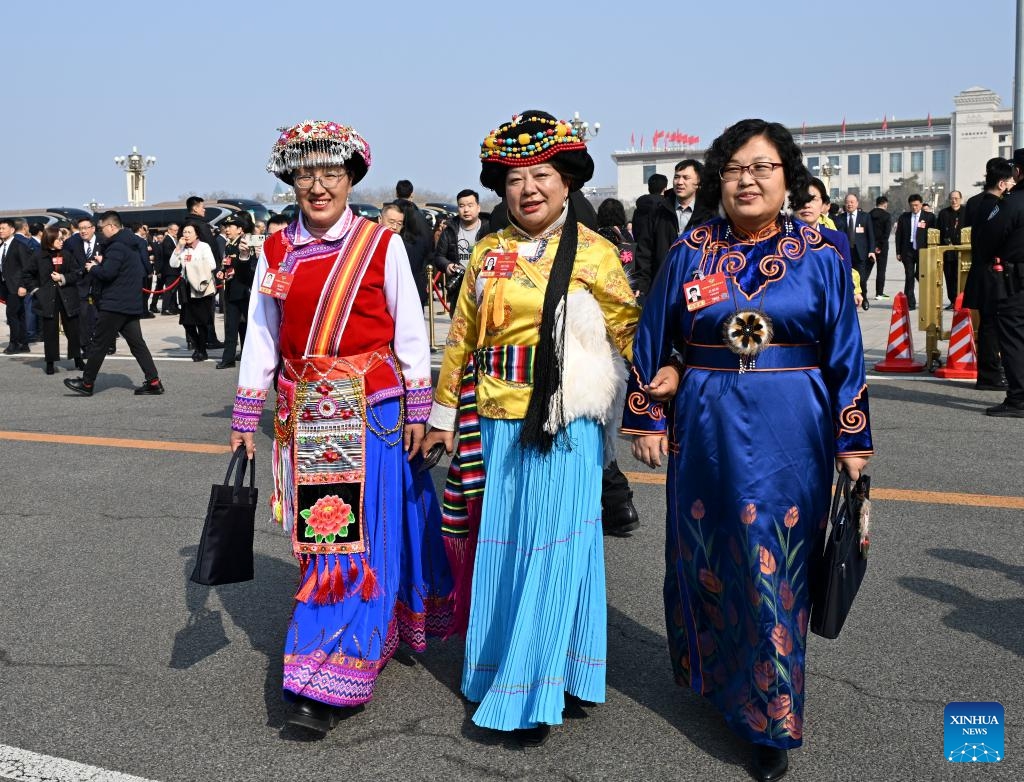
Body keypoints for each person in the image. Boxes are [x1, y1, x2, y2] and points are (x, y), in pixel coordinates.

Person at [624, 119, 873, 782]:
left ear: (787, 178)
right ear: (717, 179)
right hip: (704, 424)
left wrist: (853, 435)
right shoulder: (692, 250)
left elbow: (845, 350)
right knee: (712, 556)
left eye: (763, 167)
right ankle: (725, 684)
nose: (747, 179)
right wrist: (650, 409)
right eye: (734, 167)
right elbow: (657, 333)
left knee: (776, 563)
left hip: (794, 424)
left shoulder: (823, 249)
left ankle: (772, 719)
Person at [421, 110, 639, 745]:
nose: (529, 189)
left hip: (564, 421)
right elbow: (462, 337)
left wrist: (662, 399)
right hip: (493, 417)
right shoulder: (487, 252)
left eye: (542, 174)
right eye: (515, 179)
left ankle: (527, 693)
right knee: (507, 550)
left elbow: (631, 331)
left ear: (567, 181)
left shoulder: (596, 253)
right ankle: (551, 668)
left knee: (552, 547)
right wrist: (439, 415)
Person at [229, 119, 453, 735]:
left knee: (358, 545)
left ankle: (328, 674)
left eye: (330, 173)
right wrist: (247, 411)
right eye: (306, 174)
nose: (318, 186)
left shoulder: (380, 246)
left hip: (372, 412)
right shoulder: (276, 251)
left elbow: (410, 328)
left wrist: (419, 409)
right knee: (328, 545)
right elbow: (263, 333)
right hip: (308, 416)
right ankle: (333, 655)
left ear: (351, 178)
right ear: (291, 181)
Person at [63, 211, 164, 397]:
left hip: (115, 303)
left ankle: (86, 383)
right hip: (129, 302)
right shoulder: (130, 244)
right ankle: (154, 381)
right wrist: (105, 261)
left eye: (102, 228)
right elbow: (124, 268)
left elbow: (108, 274)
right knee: (137, 344)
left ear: (112, 226)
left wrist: (94, 267)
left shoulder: (117, 246)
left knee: (99, 343)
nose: (101, 232)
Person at [980, 148, 1024, 417]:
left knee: (1013, 338)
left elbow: (989, 238)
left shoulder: (1011, 203)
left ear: (1017, 171)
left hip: (1015, 281)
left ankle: (1018, 398)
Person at [964, 158, 1014, 391]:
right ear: (1002, 183)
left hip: (981, 271)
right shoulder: (995, 206)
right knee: (991, 325)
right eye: (1011, 181)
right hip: (990, 273)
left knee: (988, 324)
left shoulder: (977, 202)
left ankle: (989, 373)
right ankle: (990, 374)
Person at [634, 159, 715, 299]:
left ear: (698, 183)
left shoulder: (710, 215)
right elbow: (645, 251)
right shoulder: (658, 211)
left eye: (686, 178)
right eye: (677, 177)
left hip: (698, 287)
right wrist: (642, 285)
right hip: (663, 285)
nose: (679, 182)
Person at [25, 226, 84, 374]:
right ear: (49, 239)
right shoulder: (38, 256)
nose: (61, 241)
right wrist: (36, 291)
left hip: (68, 297)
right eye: (58, 238)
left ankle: (77, 359)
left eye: (62, 238)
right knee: (50, 331)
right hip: (47, 298)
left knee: (73, 330)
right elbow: (27, 275)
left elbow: (76, 273)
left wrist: (63, 278)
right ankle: (50, 362)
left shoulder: (67, 254)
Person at [434, 189, 491, 307]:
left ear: (478, 207)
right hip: (459, 288)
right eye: (461, 206)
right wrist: (447, 265)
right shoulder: (449, 230)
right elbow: (439, 257)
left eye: (470, 205)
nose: (466, 210)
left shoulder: (489, 228)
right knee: (459, 324)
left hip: (485, 286)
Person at [169, 224, 218, 361]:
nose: (186, 234)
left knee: (201, 321)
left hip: (201, 287)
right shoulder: (183, 248)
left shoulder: (204, 246)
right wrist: (178, 247)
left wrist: (191, 266)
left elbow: (212, 265)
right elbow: (173, 264)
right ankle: (198, 346)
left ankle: (201, 350)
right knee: (187, 321)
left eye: (189, 232)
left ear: (197, 234)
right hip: (186, 287)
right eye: (184, 231)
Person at [215, 215, 254, 369]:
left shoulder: (245, 244)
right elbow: (228, 264)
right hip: (231, 290)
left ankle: (249, 355)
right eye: (226, 226)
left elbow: (246, 267)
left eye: (231, 226)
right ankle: (228, 358)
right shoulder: (229, 245)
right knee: (231, 326)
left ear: (240, 229)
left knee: (249, 326)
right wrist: (222, 272)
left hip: (244, 290)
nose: (227, 229)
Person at [894, 193, 936, 310]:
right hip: (907, 250)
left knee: (921, 275)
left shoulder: (929, 217)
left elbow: (934, 233)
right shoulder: (904, 217)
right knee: (909, 276)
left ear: (921, 204)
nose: (914, 208)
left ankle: (927, 300)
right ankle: (910, 303)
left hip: (923, 251)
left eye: (917, 205)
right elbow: (899, 235)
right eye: (912, 205)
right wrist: (898, 251)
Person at [0, 217, 32, 353]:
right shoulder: (2, 246)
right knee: (19, 314)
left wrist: (23, 285)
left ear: (12, 230)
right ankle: (24, 344)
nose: (0, 231)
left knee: (11, 314)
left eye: (3, 228)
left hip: (17, 285)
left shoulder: (19, 245)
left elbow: (27, 267)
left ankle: (14, 343)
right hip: (5, 285)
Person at [839, 193, 875, 310]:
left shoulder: (865, 217)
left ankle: (863, 297)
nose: (849, 204)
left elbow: (871, 235)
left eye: (852, 202)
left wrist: (871, 250)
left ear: (857, 203)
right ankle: (850, 299)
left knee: (861, 278)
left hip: (861, 253)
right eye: (847, 202)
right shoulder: (840, 218)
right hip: (846, 253)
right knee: (848, 277)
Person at [937, 190, 966, 308]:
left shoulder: (967, 212)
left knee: (961, 276)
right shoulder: (944, 213)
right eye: (952, 198)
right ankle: (953, 300)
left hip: (963, 251)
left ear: (960, 199)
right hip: (948, 251)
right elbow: (939, 230)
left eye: (956, 198)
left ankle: (962, 300)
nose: (954, 201)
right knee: (949, 277)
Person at [630, 172, 669, 250]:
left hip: (641, 254)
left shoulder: (639, 209)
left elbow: (635, 233)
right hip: (663, 255)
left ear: (649, 188)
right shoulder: (667, 208)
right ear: (665, 189)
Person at [869, 196, 893, 299]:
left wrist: (873, 246)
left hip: (870, 246)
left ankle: (861, 291)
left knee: (866, 270)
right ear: (885, 204)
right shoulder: (886, 216)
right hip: (882, 247)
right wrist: (880, 246)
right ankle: (879, 293)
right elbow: (886, 234)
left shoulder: (869, 215)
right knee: (881, 270)